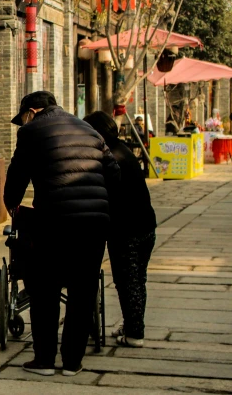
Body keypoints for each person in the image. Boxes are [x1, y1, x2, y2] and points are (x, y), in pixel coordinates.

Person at [4, 91, 119, 377]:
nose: (23, 124)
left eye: (23, 119)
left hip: (53, 221)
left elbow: (18, 173)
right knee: (82, 293)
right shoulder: (88, 129)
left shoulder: (32, 131)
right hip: (94, 225)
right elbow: (114, 174)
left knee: (45, 290)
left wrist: (12, 205)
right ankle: (72, 362)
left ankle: (44, 360)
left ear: (32, 111)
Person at [84, 111, 157, 348]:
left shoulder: (109, 157)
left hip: (127, 229)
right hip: (145, 225)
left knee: (127, 281)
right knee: (137, 280)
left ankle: (135, 333)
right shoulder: (122, 149)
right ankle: (132, 325)